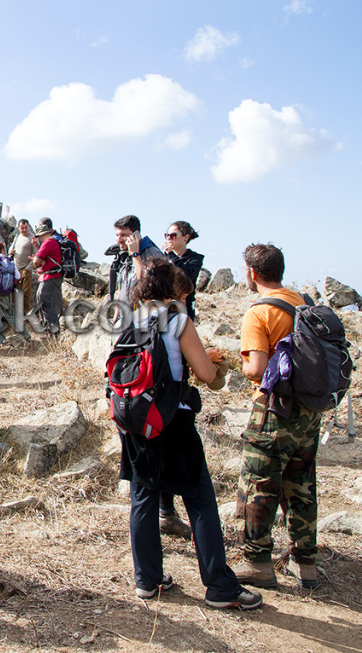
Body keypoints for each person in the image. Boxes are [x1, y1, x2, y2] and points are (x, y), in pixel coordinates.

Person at [119, 258, 263, 611]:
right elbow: (205, 373)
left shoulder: (131, 320)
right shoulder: (179, 321)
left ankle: (147, 580)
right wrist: (215, 362)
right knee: (199, 499)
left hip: (137, 420)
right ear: (172, 291)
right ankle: (219, 587)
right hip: (174, 422)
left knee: (144, 496)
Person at [234, 244, 322, 590]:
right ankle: (306, 563)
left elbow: (256, 368)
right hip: (309, 410)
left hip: (274, 409)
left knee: (259, 483)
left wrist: (238, 363)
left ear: (251, 273)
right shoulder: (303, 303)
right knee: (301, 485)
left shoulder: (260, 313)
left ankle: (257, 562)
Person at [110, 215, 190, 538]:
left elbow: (150, 288)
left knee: (156, 452)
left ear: (137, 234)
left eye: (125, 235)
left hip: (154, 335)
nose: (120, 240)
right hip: (130, 334)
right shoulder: (121, 257)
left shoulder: (150, 255)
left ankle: (166, 512)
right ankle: (162, 513)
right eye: (117, 235)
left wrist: (136, 256)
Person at [163, 221, 204, 320]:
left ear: (185, 238)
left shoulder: (195, 258)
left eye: (173, 235)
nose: (169, 238)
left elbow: (187, 275)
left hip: (185, 308)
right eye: (167, 235)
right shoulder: (163, 258)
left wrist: (171, 255)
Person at [31, 222, 63, 335]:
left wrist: (39, 262)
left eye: (38, 236)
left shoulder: (48, 242)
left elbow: (36, 261)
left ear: (41, 235)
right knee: (44, 301)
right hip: (53, 276)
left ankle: (53, 332)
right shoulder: (54, 242)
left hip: (50, 277)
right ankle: (50, 330)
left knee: (45, 302)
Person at [9, 219, 36, 314]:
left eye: (26, 228)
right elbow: (11, 248)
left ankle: (25, 313)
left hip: (26, 268)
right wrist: (10, 251)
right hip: (15, 268)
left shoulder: (32, 238)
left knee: (25, 293)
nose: (24, 230)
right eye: (22, 228)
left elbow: (36, 254)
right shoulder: (17, 237)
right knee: (13, 292)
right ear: (18, 228)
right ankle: (14, 312)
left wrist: (29, 268)